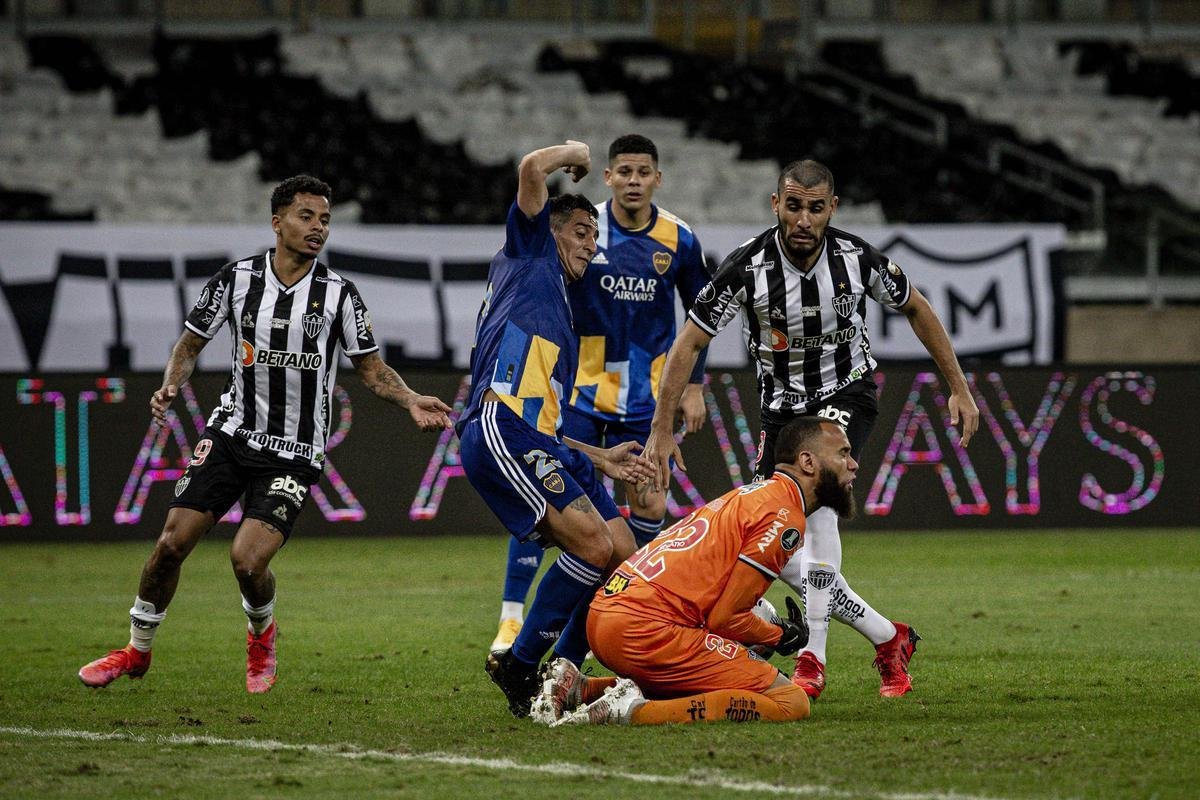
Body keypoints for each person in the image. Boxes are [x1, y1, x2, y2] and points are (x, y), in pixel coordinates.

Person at [78, 175, 453, 693]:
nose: (317, 228)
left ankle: (261, 636)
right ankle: (135, 652)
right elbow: (188, 347)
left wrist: (410, 398)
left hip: (295, 452)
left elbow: (370, 369)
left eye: (325, 219)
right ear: (277, 222)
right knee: (170, 544)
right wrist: (169, 385)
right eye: (306, 216)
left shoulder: (340, 295)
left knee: (248, 561)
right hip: (232, 434)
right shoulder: (236, 280)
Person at [644, 159, 980, 700]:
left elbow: (916, 307)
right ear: (776, 205)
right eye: (793, 206)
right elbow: (689, 342)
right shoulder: (747, 267)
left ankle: (812, 658)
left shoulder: (856, 259)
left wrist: (959, 388)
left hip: (847, 395)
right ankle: (886, 634)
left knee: (818, 501)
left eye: (815, 208)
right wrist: (662, 431)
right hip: (781, 414)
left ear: (833, 209)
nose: (804, 219)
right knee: (772, 538)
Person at [490, 134, 712, 656]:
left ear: (658, 178)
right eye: (624, 172)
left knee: (650, 500)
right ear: (608, 177)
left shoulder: (679, 239)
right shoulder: (581, 230)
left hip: (646, 400)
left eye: (643, 172)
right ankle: (511, 618)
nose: (633, 181)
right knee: (546, 496)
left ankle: (620, 617)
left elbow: (705, 314)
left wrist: (695, 384)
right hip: (579, 395)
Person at [455, 141, 654, 717]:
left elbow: (544, 423)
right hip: (500, 429)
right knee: (592, 546)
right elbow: (527, 170)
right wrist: (573, 153)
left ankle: (561, 667)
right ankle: (520, 663)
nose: (591, 246)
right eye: (582, 233)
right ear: (552, 230)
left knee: (621, 551)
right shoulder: (528, 254)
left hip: (536, 437)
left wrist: (599, 457)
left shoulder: (558, 313)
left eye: (596, 238)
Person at [531, 417, 856, 726]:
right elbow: (727, 619)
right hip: (643, 629)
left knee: (710, 669)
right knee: (790, 701)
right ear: (808, 462)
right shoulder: (784, 516)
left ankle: (581, 687)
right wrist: (780, 635)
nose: (853, 464)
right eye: (843, 454)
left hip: (607, 615)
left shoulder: (753, 494)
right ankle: (632, 711)